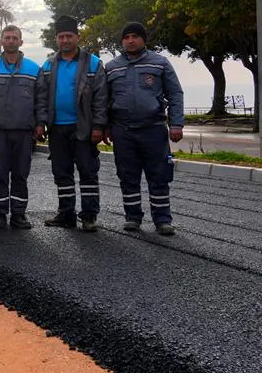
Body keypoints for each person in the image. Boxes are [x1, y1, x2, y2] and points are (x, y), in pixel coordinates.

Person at [104, 22, 184, 235]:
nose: (130, 40)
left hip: (154, 129)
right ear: (122, 41)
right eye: (126, 37)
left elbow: (175, 94)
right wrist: (106, 127)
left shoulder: (160, 63)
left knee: (159, 175)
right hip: (123, 131)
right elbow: (103, 100)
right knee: (127, 176)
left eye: (135, 36)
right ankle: (132, 217)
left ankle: (162, 220)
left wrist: (176, 124)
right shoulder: (112, 67)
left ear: (143, 39)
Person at [38, 16, 108, 232]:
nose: (65, 40)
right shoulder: (49, 64)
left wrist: (98, 126)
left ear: (77, 37)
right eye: (61, 37)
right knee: (61, 172)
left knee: (87, 171)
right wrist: (41, 122)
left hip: (84, 128)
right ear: (56, 39)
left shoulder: (93, 63)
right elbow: (41, 96)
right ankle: (66, 214)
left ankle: (89, 216)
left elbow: (101, 98)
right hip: (57, 128)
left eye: (69, 36)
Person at [0, 25, 47, 230]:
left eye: (15, 38)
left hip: (24, 131)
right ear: (1, 41)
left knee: (20, 174)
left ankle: (18, 214)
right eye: (7, 37)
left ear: (21, 42)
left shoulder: (34, 69)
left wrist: (41, 123)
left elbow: (41, 99)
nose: (11, 41)